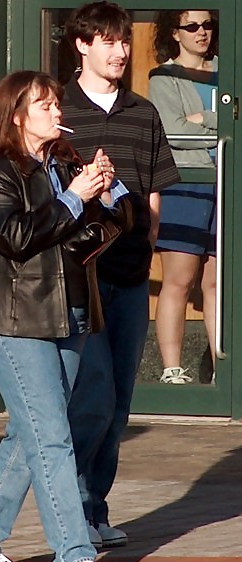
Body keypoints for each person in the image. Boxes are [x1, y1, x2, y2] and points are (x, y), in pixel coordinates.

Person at [0, 69, 131, 562]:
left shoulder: (66, 164)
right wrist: (74, 197)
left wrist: (110, 190)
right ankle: (73, 556)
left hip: (70, 313)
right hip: (16, 320)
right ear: (17, 116)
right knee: (51, 438)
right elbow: (14, 236)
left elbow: (113, 225)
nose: (57, 112)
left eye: (56, 104)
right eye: (45, 105)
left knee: (26, 435)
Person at [61, 2, 180, 549]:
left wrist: (149, 237)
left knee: (120, 402)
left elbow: (154, 185)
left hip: (131, 276)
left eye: (123, 41)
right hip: (79, 276)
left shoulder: (142, 112)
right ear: (82, 45)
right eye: (107, 41)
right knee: (93, 396)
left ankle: (94, 507)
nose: (120, 51)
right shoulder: (56, 109)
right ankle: (73, 509)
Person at [148, 9, 219, 385]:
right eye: (192, 26)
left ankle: (222, 370)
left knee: (215, 283)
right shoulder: (164, 76)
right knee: (179, 280)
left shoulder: (228, 68)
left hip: (225, 181)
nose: (201, 32)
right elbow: (174, 131)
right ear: (174, 33)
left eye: (207, 24)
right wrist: (218, 119)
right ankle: (172, 369)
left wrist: (203, 118)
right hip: (186, 182)